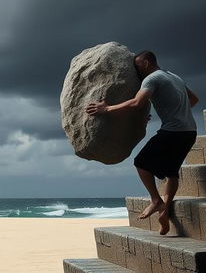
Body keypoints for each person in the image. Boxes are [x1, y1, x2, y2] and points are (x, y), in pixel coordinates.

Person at [85, 50, 199, 235]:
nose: (137, 71)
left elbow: (137, 103)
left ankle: (156, 200)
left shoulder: (151, 79)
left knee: (140, 163)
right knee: (171, 173)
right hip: (189, 132)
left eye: (137, 66)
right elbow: (193, 100)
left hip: (173, 132)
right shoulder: (174, 76)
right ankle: (165, 211)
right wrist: (173, 109)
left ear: (146, 62)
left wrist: (106, 109)